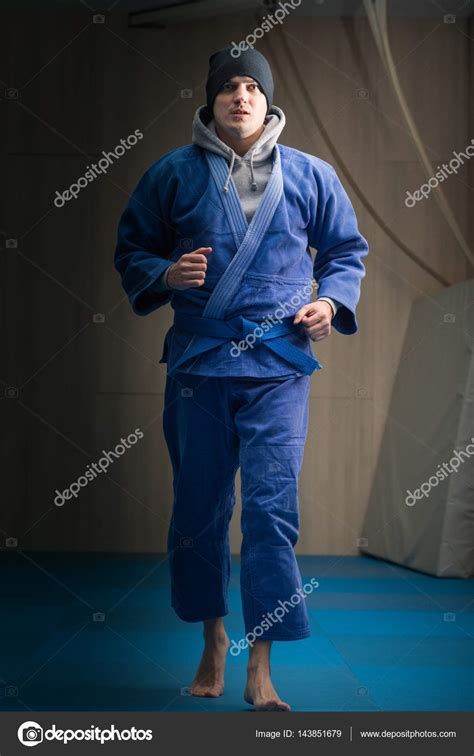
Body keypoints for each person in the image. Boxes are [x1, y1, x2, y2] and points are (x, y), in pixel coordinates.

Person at [115, 46, 368, 711]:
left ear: (267, 99)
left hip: (280, 366)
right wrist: (164, 275)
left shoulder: (312, 174)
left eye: (252, 86)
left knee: (270, 511)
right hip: (202, 363)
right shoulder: (172, 173)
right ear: (211, 99)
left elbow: (344, 251)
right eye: (228, 86)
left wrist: (331, 301)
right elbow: (133, 247)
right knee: (199, 509)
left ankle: (261, 662)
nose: (241, 95)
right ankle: (212, 640)